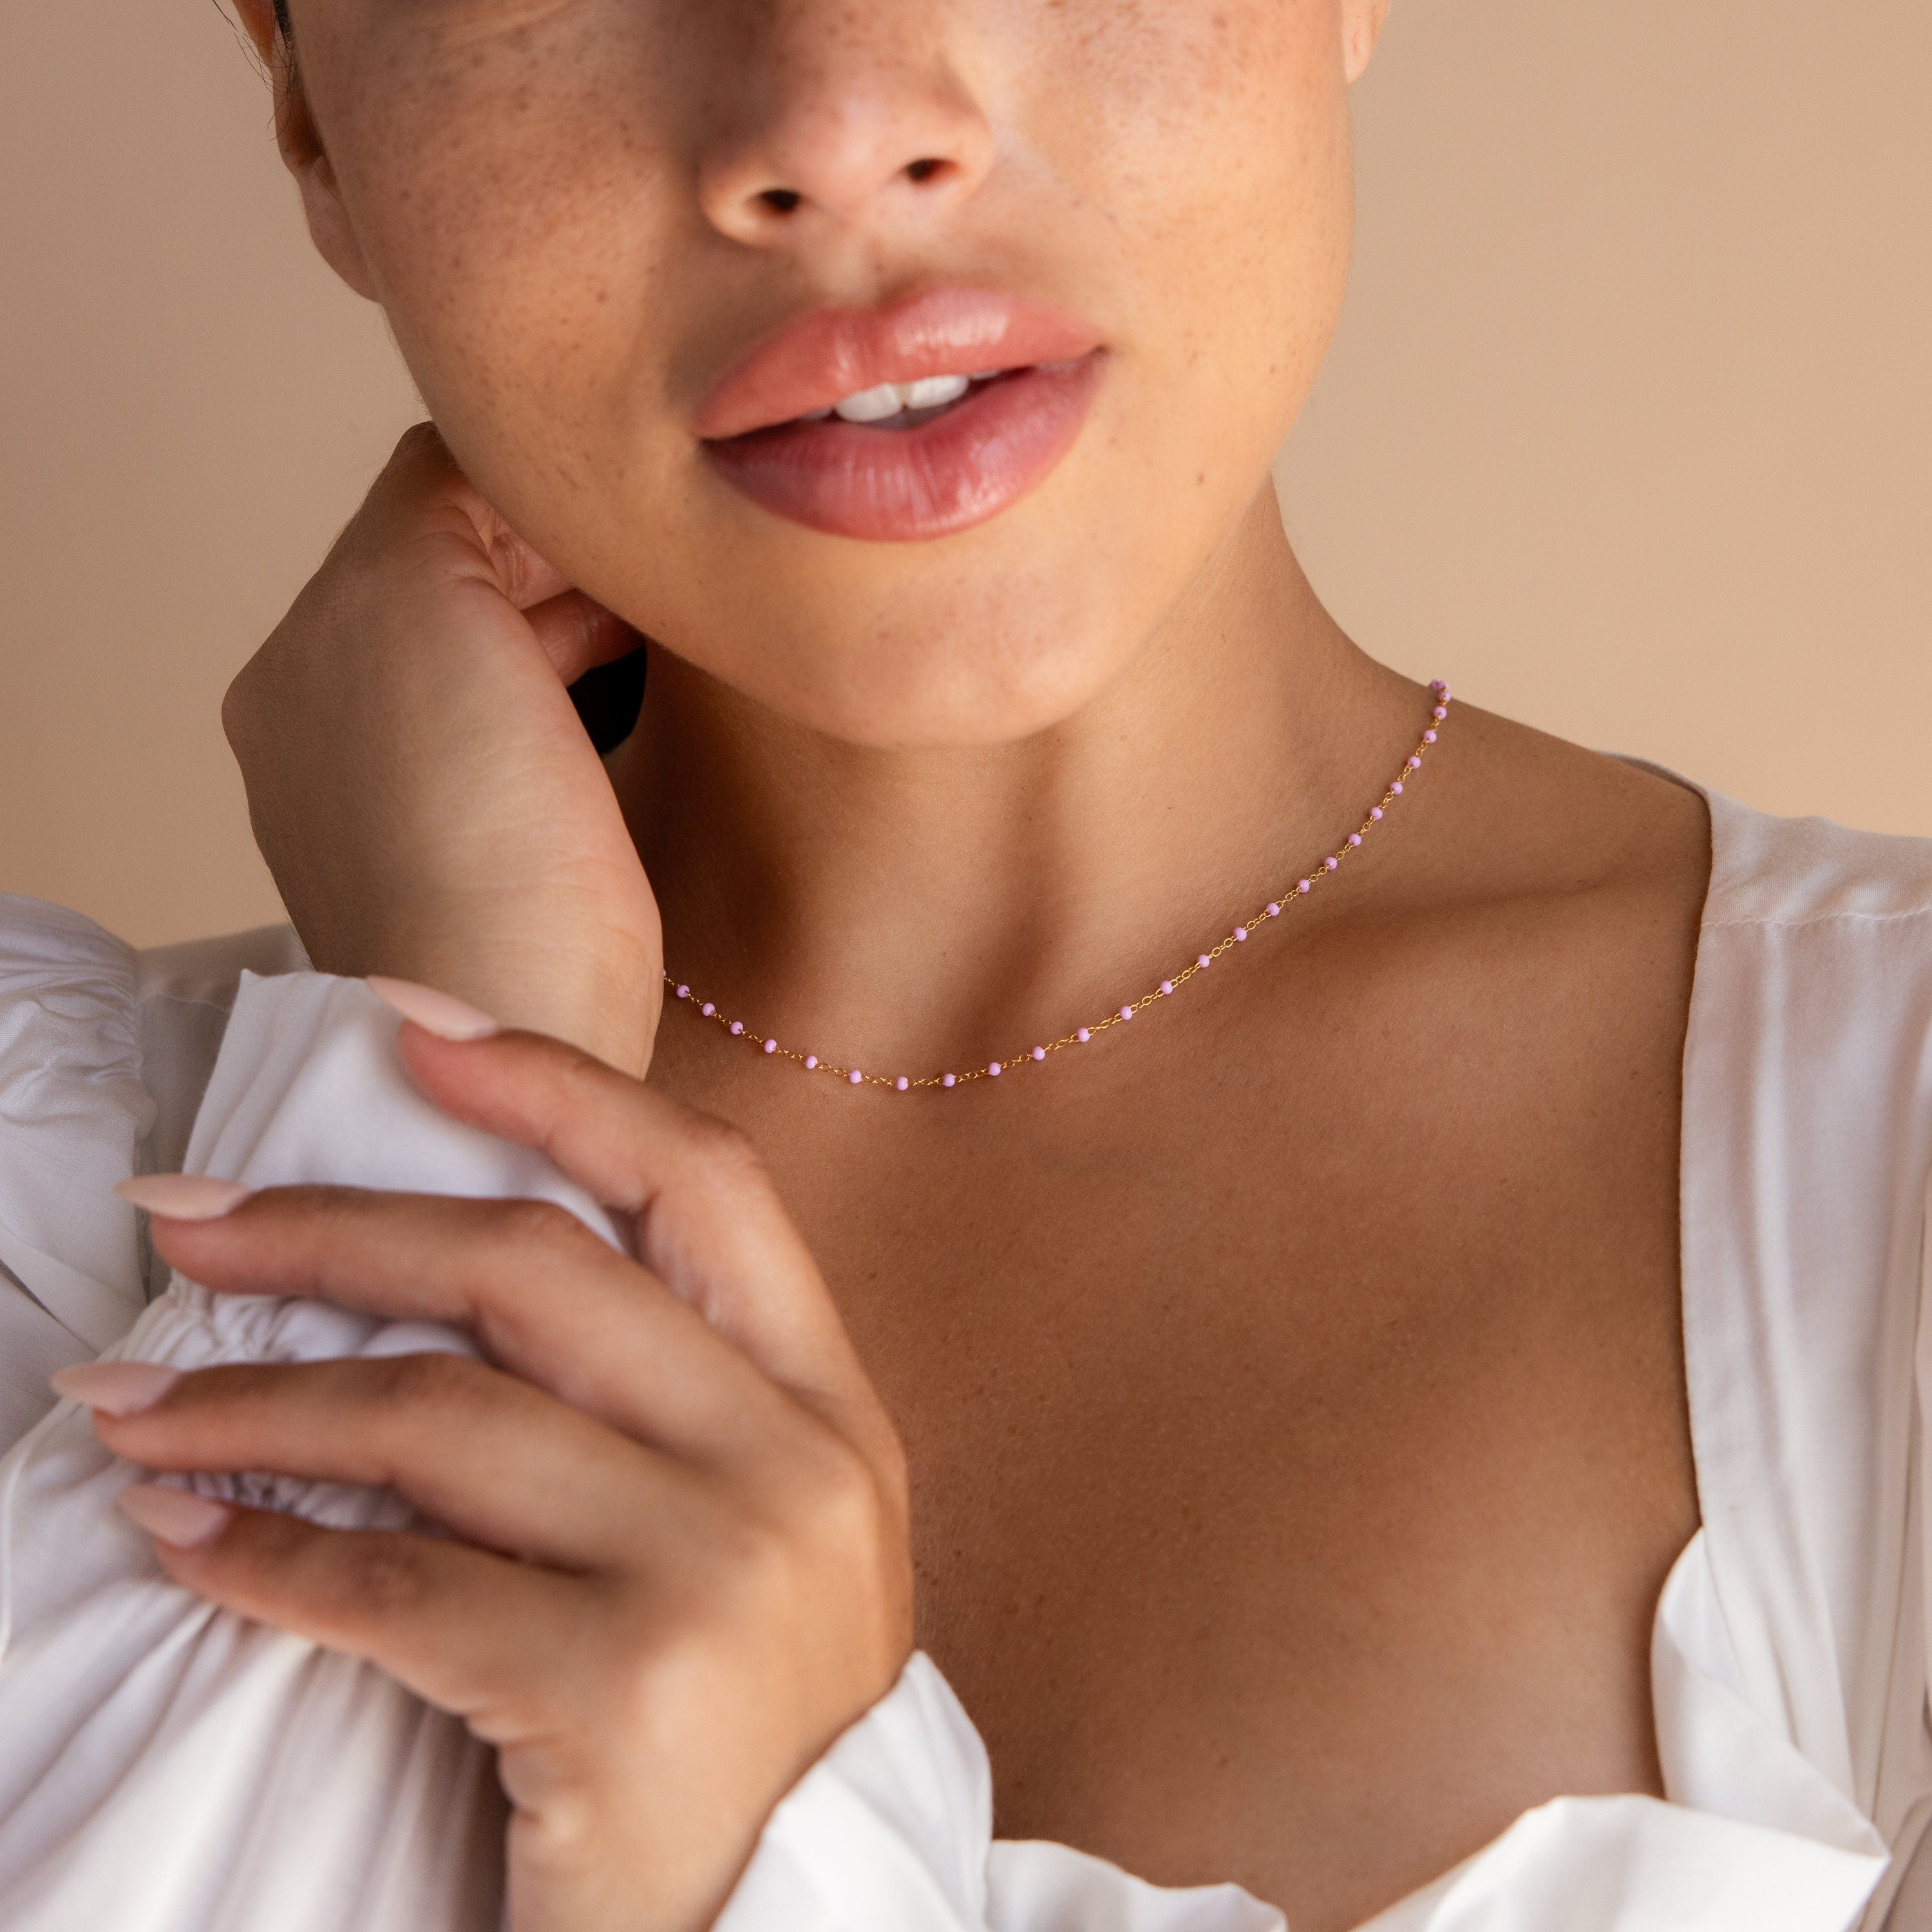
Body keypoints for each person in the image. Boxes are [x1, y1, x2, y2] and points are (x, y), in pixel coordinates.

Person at [0, 0, 1927, 1926]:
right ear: (305, 102)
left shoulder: (1886, 1172)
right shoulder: (42, 1214)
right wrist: (449, 1095)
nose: (844, 122)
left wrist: (762, 1853)